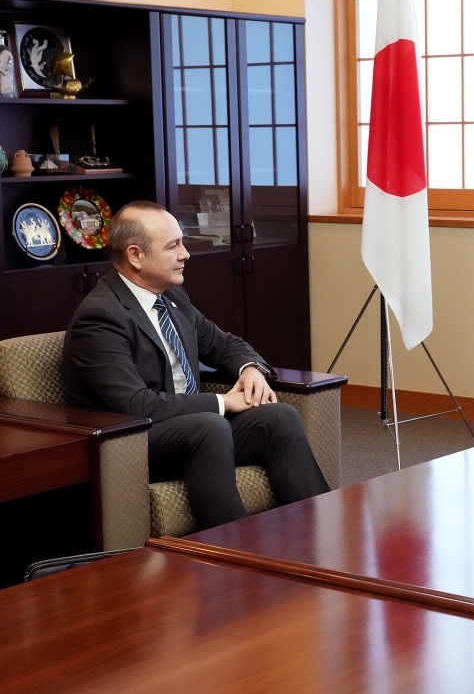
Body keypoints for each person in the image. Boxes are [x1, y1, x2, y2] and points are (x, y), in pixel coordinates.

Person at [64, 200, 330, 529]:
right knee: (209, 426)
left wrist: (249, 369)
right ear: (136, 256)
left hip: (198, 433)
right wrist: (223, 402)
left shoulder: (173, 298)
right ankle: (235, 554)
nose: (186, 254)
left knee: (279, 416)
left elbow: (226, 344)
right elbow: (133, 404)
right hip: (132, 442)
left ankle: (320, 533)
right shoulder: (101, 317)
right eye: (173, 245)